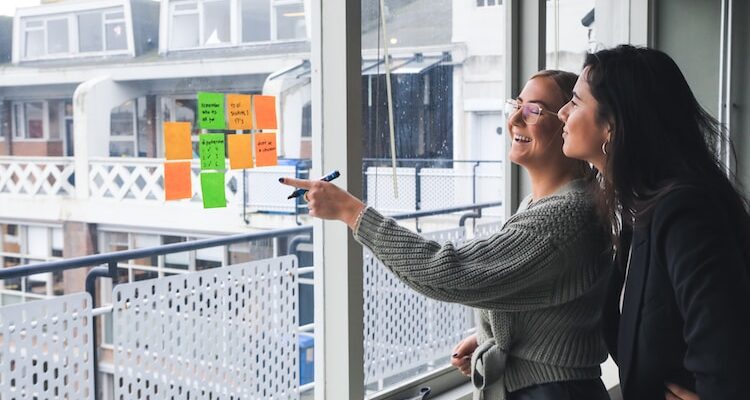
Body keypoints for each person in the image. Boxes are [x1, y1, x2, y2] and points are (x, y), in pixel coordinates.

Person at [281, 70, 613, 399]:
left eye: (533, 110)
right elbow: (541, 300)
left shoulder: (566, 215)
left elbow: (448, 271)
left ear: (567, 122)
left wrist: (351, 212)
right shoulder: (547, 203)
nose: (514, 119)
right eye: (517, 104)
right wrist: (490, 340)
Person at [557, 45, 750, 400]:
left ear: (612, 124)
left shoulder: (685, 212)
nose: (562, 113)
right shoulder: (639, 208)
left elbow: (726, 348)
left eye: (576, 101)